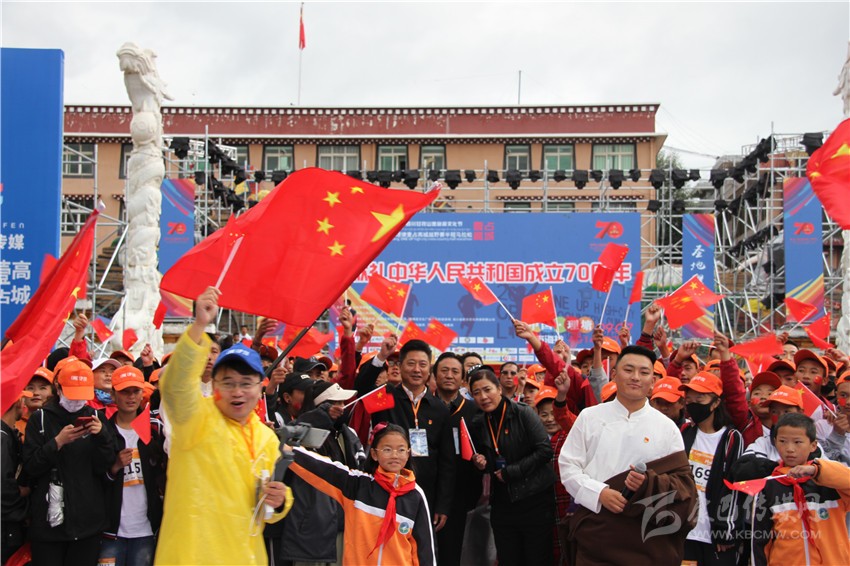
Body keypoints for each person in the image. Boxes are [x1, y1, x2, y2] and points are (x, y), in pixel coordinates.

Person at [154, 287, 291, 565]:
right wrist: (199, 326)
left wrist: (280, 501)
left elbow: (268, 500)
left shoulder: (266, 437)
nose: (237, 392)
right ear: (214, 385)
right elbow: (176, 387)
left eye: (246, 383)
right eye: (228, 383)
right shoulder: (195, 418)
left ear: (260, 387)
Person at [559, 345, 697, 565]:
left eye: (644, 372)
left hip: (645, 541)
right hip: (597, 534)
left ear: (652, 381)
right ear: (614, 374)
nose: (635, 377)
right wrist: (599, 492)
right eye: (629, 370)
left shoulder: (666, 428)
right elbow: (568, 467)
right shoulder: (589, 417)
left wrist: (648, 484)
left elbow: (682, 486)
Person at [289, 423, 436, 565]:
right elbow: (323, 468)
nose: (395, 455)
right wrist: (286, 450)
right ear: (374, 454)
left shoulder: (415, 495)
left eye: (401, 450)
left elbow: (424, 550)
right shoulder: (357, 485)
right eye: (387, 449)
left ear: (408, 453)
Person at [354, 335, 455, 536]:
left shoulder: (440, 409)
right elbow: (361, 388)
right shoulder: (386, 396)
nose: (417, 369)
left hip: (425, 492)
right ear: (400, 367)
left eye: (422, 365)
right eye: (411, 363)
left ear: (429, 369)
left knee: (420, 546)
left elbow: (447, 461)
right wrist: (382, 356)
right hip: (386, 490)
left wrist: (442, 505)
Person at [22, 358, 116, 566]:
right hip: (49, 525)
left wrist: (102, 436)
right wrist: (57, 442)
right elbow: (30, 467)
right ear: (58, 388)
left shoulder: (96, 417)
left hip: (87, 524)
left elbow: (106, 466)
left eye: (81, 395)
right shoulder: (40, 419)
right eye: (72, 394)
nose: (76, 401)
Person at [468, 366, 555, 565]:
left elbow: (544, 450)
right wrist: (481, 464)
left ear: (499, 389)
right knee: (508, 558)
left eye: (487, 389)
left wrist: (511, 472)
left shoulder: (522, 413)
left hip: (534, 499)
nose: (483, 397)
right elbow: (490, 462)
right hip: (503, 503)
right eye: (476, 392)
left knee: (536, 559)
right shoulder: (479, 422)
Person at [752, 413, 850, 566]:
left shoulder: (831, 481)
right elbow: (760, 542)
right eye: (782, 441)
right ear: (775, 442)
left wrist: (816, 470)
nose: (790, 449)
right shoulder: (768, 485)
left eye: (798, 442)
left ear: (813, 445)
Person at [101, 366, 164, 566]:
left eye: (136, 391)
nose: (131, 397)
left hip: (146, 530)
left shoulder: (155, 428)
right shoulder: (104, 430)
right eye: (124, 392)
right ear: (113, 394)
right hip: (111, 531)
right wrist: (115, 467)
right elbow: (94, 478)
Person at [680, 372, 744, 565]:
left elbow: (733, 486)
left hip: (715, 535)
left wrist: (725, 530)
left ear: (715, 403)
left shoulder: (731, 438)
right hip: (685, 532)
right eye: (689, 400)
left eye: (700, 399)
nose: (693, 404)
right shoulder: (685, 432)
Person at [431, 352, 482, 566]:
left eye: (455, 371)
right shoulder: (424, 408)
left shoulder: (474, 411)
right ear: (434, 376)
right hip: (429, 490)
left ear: (463, 379)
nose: (449, 375)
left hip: (462, 493)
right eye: (444, 370)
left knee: (454, 552)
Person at [2, 390, 31, 563]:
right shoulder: (2, 437)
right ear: (18, 402)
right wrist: (23, 494)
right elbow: (3, 487)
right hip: (6, 528)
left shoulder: (8, 434)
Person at [18, 367, 55, 437]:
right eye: (30, 388)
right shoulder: (13, 424)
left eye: (42, 388)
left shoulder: (59, 422)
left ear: (54, 392)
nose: (36, 393)